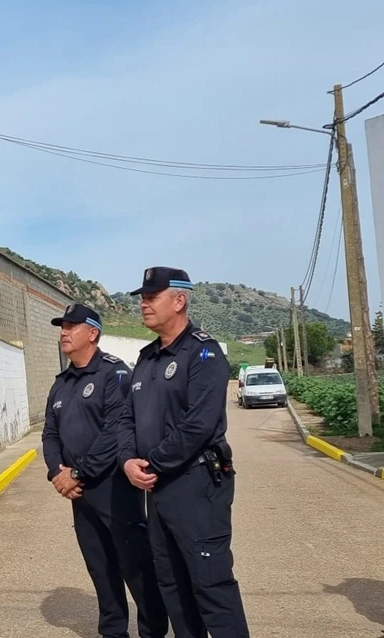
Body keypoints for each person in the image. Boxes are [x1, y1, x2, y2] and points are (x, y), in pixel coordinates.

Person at [117, 267, 251, 638]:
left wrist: (152, 463)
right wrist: (128, 460)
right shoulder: (146, 359)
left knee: (210, 584)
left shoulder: (204, 353)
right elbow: (126, 419)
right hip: (158, 488)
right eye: (141, 298)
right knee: (171, 583)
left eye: (151, 297)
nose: (143, 304)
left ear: (179, 300)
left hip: (196, 483)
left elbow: (199, 425)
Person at [43, 303, 168, 638]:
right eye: (62, 327)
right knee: (100, 567)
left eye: (72, 326)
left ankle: (154, 629)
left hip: (113, 488)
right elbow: (50, 434)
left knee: (135, 564)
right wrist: (58, 473)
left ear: (93, 333)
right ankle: (113, 631)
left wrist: (77, 474)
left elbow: (115, 433)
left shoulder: (114, 375)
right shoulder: (62, 383)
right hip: (80, 494)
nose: (64, 332)